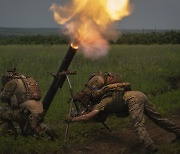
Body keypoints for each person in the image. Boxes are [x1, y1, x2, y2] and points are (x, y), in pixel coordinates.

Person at [66, 72, 180, 153]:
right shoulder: (113, 94)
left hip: (133, 100)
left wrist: (73, 119)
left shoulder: (104, 102)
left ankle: (149, 145)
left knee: (138, 123)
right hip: (140, 95)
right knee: (157, 118)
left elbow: (88, 116)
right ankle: (177, 130)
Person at [0, 68, 58, 139]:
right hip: (39, 112)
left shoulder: (12, 83)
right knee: (31, 130)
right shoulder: (30, 80)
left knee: (1, 111)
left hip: (26, 113)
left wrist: (3, 90)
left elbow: (3, 98)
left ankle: (10, 133)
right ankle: (45, 129)